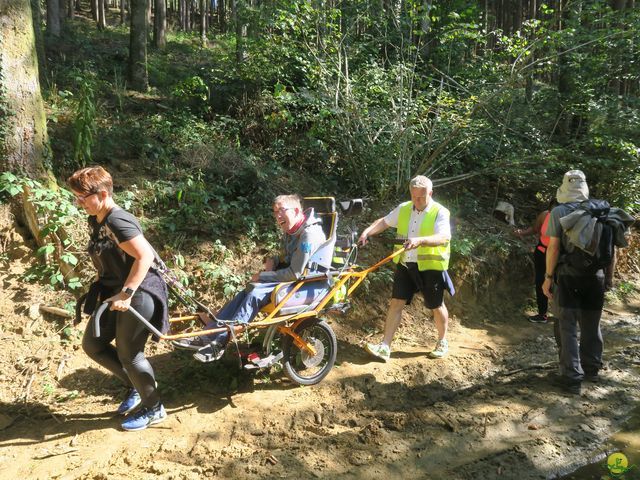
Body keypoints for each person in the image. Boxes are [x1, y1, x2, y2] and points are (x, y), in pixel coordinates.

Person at [68, 166, 169, 431]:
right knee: (93, 344)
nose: (79, 203)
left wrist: (127, 293)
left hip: (140, 290)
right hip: (116, 291)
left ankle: (154, 407)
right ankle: (136, 387)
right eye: (76, 198)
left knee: (130, 355)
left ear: (102, 194)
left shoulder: (117, 220)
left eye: (82, 198)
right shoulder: (97, 219)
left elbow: (144, 257)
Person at [173, 194, 329, 362]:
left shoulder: (308, 235)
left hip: (306, 283)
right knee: (247, 290)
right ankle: (209, 334)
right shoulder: (291, 230)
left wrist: (263, 275)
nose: (277, 216)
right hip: (294, 280)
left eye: (281, 211)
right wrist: (273, 260)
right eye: (275, 212)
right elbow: (287, 257)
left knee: (254, 294)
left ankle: (220, 341)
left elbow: (295, 273)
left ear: (297, 211)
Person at [542, 170, 631, 395]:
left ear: (564, 187)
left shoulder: (559, 212)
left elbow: (553, 248)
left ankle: (572, 379)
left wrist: (548, 277)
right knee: (592, 324)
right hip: (597, 277)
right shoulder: (604, 212)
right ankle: (591, 369)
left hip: (569, 276)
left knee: (568, 325)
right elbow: (612, 251)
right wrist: (608, 278)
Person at [359, 175, 454, 362]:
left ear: (430, 193)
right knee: (396, 303)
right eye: (414, 196)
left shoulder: (440, 212)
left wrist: (421, 241)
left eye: (422, 197)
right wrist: (366, 232)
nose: (417, 201)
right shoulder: (403, 209)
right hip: (406, 263)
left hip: (431, 266)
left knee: (436, 305)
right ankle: (385, 346)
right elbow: (384, 222)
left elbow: (444, 237)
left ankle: (442, 341)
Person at [514, 199, 557, 324]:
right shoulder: (545, 215)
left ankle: (560, 314)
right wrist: (521, 233)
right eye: (552, 210)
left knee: (558, 283)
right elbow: (535, 229)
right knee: (540, 282)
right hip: (542, 252)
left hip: (559, 256)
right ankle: (542, 314)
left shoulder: (568, 218)